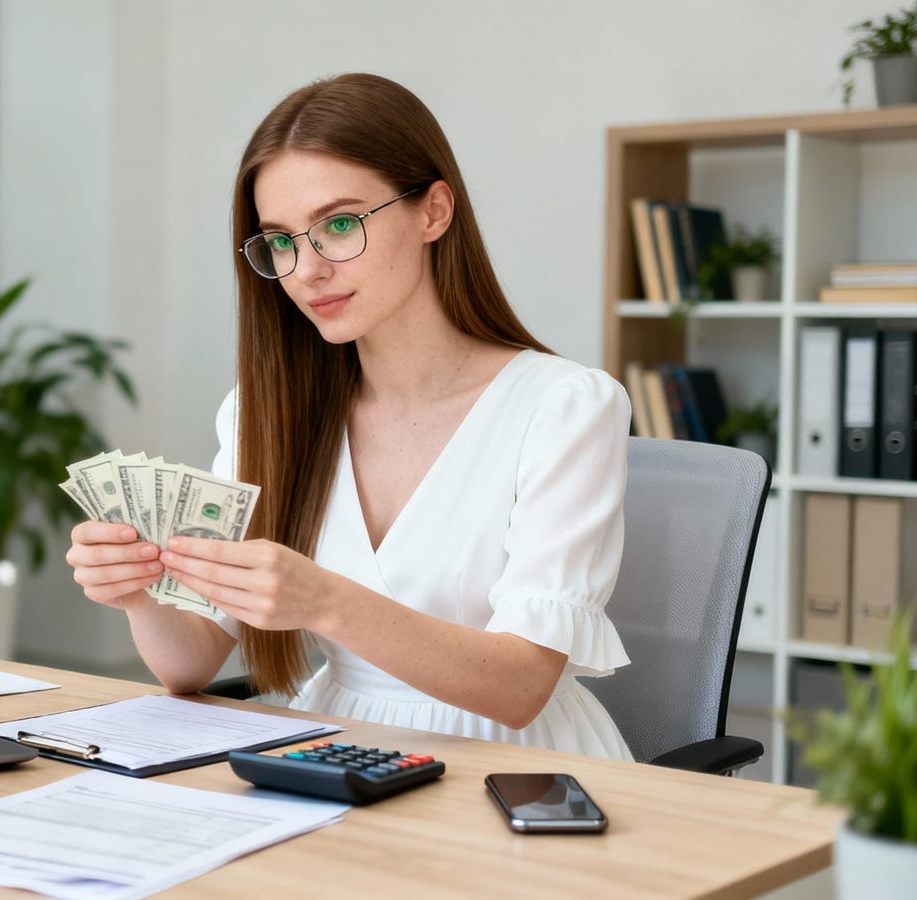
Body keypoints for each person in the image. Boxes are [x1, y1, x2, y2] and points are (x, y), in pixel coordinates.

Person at [65, 73, 633, 760]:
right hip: (339, 750)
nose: (306, 270)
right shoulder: (262, 411)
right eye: (280, 240)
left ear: (434, 212)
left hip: (517, 764)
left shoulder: (564, 406)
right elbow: (190, 665)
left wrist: (324, 601)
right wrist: (138, 594)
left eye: (338, 225)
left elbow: (520, 688)